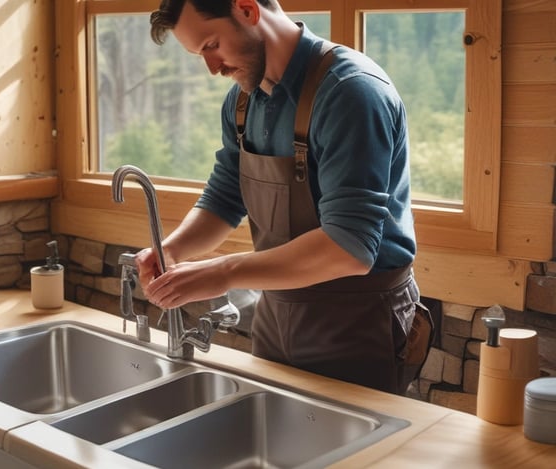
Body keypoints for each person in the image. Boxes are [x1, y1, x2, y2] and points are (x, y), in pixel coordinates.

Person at [136, 0, 431, 395]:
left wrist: (223, 272)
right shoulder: (242, 102)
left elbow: (350, 247)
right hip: (275, 317)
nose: (212, 67)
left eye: (211, 45)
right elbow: (224, 198)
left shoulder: (351, 92)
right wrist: (171, 250)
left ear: (247, 9)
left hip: (360, 323)